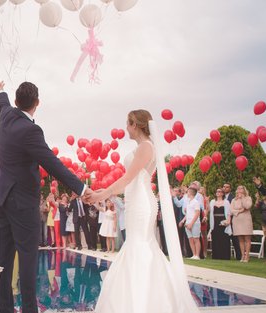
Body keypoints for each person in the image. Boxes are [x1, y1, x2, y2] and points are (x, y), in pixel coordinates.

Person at [0, 77, 93, 313]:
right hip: (22, 202)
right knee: (27, 258)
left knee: (3, 258)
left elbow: (1, 101)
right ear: (37, 102)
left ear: (16, 101)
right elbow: (52, 163)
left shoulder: (6, 115)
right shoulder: (30, 130)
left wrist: (0, 88)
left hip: (2, 197)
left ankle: (3, 309)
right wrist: (81, 188)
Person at [92, 109, 198, 312]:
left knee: (140, 245)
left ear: (136, 125)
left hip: (141, 203)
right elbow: (126, 183)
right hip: (134, 200)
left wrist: (101, 195)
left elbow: (128, 178)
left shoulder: (146, 147)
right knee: (136, 244)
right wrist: (103, 192)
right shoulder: (143, 147)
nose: (125, 128)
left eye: (127, 123)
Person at [230, 185, 253, 263]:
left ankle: (247, 256)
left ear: (244, 190)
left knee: (247, 239)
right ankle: (242, 255)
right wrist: (240, 211)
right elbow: (231, 210)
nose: (239, 190)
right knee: (240, 239)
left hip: (246, 220)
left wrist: (242, 198)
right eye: (238, 188)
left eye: (241, 188)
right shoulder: (234, 200)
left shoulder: (248, 198)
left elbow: (247, 206)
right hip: (237, 220)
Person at [208, 188, 232, 260]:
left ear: (222, 193)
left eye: (219, 192)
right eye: (217, 191)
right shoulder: (212, 202)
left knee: (224, 238)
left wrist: (228, 221)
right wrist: (206, 201)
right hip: (214, 221)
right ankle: (216, 255)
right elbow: (208, 210)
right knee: (216, 238)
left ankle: (224, 255)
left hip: (223, 220)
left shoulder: (226, 202)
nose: (218, 193)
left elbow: (228, 213)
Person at [179, 187, 201, 260]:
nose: (186, 193)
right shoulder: (188, 202)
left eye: (187, 192)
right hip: (187, 223)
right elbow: (187, 214)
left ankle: (197, 255)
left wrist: (191, 223)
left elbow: (197, 213)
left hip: (194, 223)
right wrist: (183, 221)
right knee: (190, 239)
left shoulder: (196, 202)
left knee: (196, 239)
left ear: (190, 193)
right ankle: (194, 254)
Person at [223, 183, 242, 260]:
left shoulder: (233, 198)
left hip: (232, 220)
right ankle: (225, 255)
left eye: (227, 187)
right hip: (223, 220)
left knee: (235, 239)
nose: (225, 188)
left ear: (230, 189)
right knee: (224, 238)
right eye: (224, 187)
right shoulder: (221, 197)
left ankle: (239, 256)